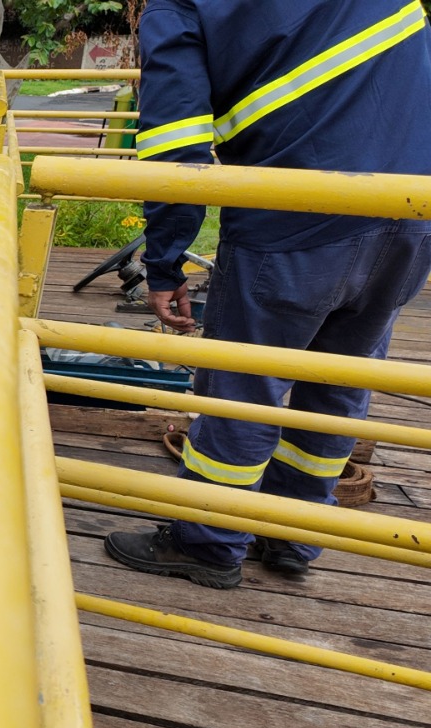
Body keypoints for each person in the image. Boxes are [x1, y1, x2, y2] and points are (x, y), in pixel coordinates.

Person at [105, 0, 431, 589]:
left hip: (293, 222)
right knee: (339, 380)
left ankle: (208, 542)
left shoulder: (181, 6)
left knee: (243, 384)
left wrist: (165, 262)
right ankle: (292, 534)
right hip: (411, 214)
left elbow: (175, 145)